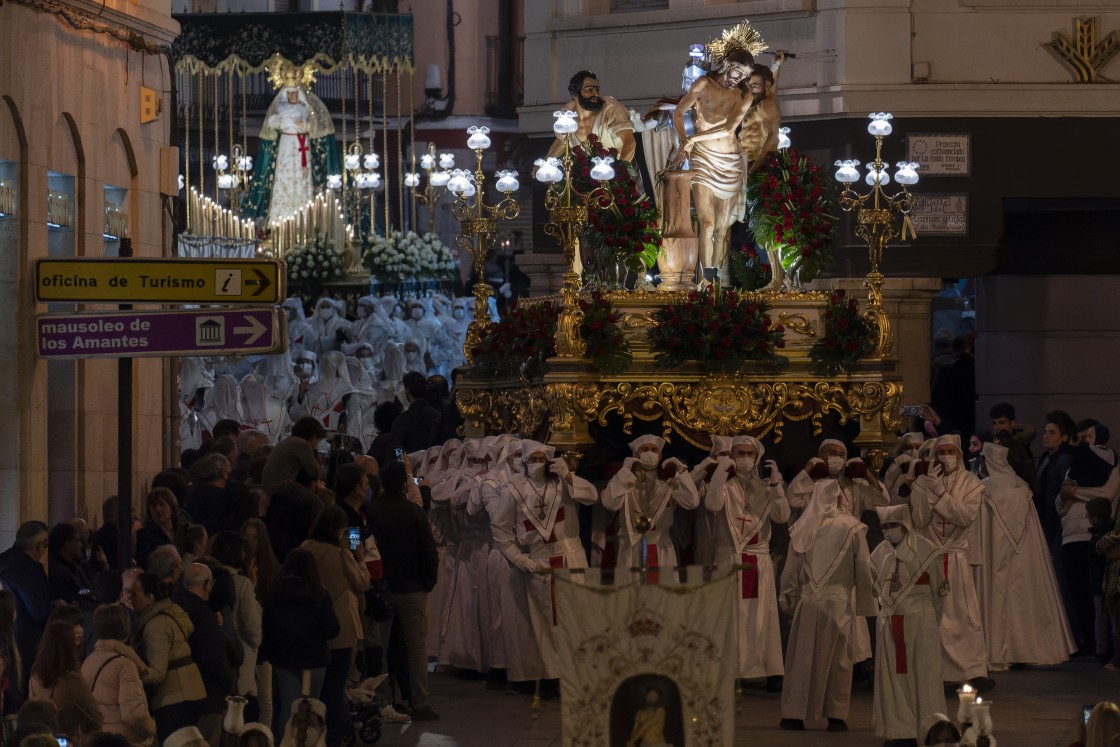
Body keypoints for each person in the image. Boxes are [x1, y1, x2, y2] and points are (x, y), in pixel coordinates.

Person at [492, 441, 598, 686]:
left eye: (542, 459)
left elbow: (592, 497)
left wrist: (570, 476)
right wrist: (517, 557)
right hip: (537, 561)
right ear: (523, 463)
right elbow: (501, 529)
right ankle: (547, 677)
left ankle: (574, 673)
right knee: (542, 624)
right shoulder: (514, 490)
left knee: (574, 618)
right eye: (532, 460)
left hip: (570, 556)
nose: (537, 464)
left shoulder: (561, 483)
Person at [779, 480, 875, 732]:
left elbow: (790, 574)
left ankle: (794, 714)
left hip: (809, 602)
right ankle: (836, 715)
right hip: (839, 603)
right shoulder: (852, 527)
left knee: (802, 659)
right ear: (839, 499)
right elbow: (864, 568)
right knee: (839, 661)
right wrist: (866, 604)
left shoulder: (802, 528)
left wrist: (789, 603)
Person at [668, 23, 756, 282]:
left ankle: (717, 277)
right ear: (727, 64)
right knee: (706, 222)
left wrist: (693, 138)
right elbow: (678, 111)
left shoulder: (744, 95)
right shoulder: (703, 84)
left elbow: (730, 128)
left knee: (721, 227)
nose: (739, 78)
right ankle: (705, 280)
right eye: (738, 71)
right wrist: (683, 139)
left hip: (729, 162)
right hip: (703, 160)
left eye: (745, 75)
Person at [977, 441, 1075, 670]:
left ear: (987, 461)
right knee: (1025, 594)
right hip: (1024, 553)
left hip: (995, 552)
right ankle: (1028, 648)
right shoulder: (1021, 488)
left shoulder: (984, 489)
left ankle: (1000, 648)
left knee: (999, 594)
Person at [704, 435, 788, 687]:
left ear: (757, 458)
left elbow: (782, 517)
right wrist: (720, 472)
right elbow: (711, 504)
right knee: (730, 616)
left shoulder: (766, 487)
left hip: (759, 560)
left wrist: (776, 485)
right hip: (729, 557)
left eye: (749, 454)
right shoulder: (725, 486)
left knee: (763, 617)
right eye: (739, 453)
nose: (744, 459)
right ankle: (731, 671)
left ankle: (769, 668)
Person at [909, 434, 992, 691]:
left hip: (955, 557)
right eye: (941, 451)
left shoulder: (972, 483)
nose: (946, 456)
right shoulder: (923, 482)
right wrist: (925, 488)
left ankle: (970, 670)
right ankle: (934, 671)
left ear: (958, 455)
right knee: (932, 617)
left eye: (951, 451)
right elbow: (920, 519)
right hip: (930, 557)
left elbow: (965, 516)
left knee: (962, 615)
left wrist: (940, 493)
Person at [367, 461, 439, 721]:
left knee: (381, 649)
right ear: (403, 485)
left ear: (383, 483)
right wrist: (428, 581)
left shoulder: (371, 511)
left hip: (382, 588)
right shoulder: (414, 513)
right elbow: (428, 550)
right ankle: (420, 701)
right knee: (417, 647)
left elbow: (364, 546)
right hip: (412, 588)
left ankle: (383, 700)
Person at [869, 505, 946, 747]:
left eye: (892, 526)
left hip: (921, 620)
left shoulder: (926, 549)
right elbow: (873, 583)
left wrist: (930, 622)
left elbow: (939, 592)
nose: (887, 531)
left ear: (904, 525)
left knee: (923, 676)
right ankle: (899, 730)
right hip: (890, 620)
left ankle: (928, 729)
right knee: (893, 678)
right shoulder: (880, 553)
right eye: (883, 527)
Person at [300, 507, 369, 747]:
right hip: (340, 631)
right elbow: (361, 583)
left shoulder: (303, 549)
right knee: (335, 691)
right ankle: (333, 739)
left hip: (308, 631)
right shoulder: (341, 556)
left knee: (309, 692)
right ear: (339, 531)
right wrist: (360, 557)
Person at [259, 548, 340, 741]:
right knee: (311, 708)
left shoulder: (275, 592)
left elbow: (267, 628)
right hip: (314, 657)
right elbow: (332, 628)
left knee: (289, 707)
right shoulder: (319, 594)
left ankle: (287, 743)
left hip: (284, 658)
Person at [240, 84, 341, 224]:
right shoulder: (281, 111)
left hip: (302, 144)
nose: (292, 96)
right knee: (284, 174)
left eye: (295, 94)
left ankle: (305, 216)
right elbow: (273, 123)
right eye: (290, 94)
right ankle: (280, 216)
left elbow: (313, 125)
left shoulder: (305, 109)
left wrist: (304, 125)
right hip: (286, 144)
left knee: (303, 177)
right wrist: (287, 122)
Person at [601, 435, 699, 574]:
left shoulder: (668, 481)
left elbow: (692, 502)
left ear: (660, 455)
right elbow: (610, 504)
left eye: (654, 450)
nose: (650, 453)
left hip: (661, 548)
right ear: (636, 454)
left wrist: (682, 471)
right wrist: (625, 471)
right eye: (645, 449)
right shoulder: (625, 480)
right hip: (632, 548)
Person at [129, 572, 205, 742]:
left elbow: (157, 672)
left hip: (174, 698)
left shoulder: (155, 625)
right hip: (190, 692)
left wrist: (129, 674)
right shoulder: (172, 614)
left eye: (134, 594)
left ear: (150, 598)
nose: (130, 599)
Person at [81, 605, 156, 747]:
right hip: (124, 740)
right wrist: (152, 727)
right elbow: (133, 714)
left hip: (98, 739)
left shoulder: (89, 661)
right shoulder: (125, 665)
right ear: (125, 628)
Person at [29, 620, 104, 741]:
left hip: (42, 740)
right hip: (69, 740)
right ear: (70, 646)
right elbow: (96, 719)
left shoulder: (35, 675)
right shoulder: (70, 681)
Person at [0, 521, 51, 688]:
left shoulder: (4, 560)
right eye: (45, 545)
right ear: (37, 546)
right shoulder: (29, 570)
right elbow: (39, 610)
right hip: (26, 640)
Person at [546, 70, 636, 164]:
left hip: (622, 167)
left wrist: (620, 171)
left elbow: (629, 143)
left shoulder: (610, 109)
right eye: (589, 90)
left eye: (597, 89)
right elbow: (562, 141)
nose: (596, 94)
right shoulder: (566, 117)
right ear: (575, 94)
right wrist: (545, 163)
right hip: (587, 173)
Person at [387, 371, 440, 454]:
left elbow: (397, 450)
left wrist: (402, 465)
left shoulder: (402, 420)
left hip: (411, 465)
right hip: (434, 463)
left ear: (407, 391)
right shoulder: (437, 415)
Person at [47, 522, 96, 606]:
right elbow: (77, 600)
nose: (81, 545)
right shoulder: (59, 573)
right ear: (66, 544)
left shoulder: (76, 565)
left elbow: (91, 587)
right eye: (77, 540)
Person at [134, 489, 180, 570]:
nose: (158, 509)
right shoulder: (145, 535)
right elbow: (145, 563)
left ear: (171, 507)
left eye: (162, 505)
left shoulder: (181, 530)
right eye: (153, 506)